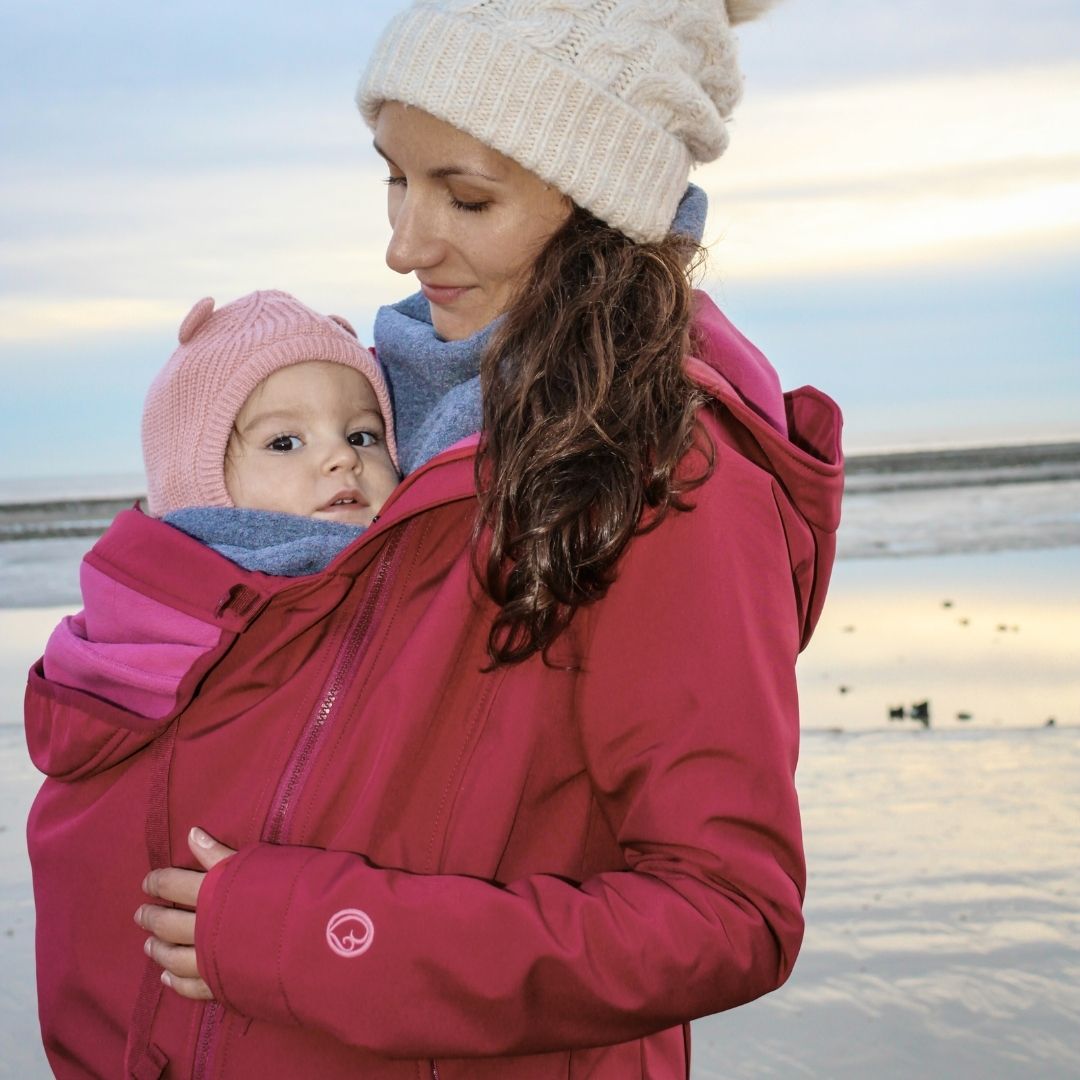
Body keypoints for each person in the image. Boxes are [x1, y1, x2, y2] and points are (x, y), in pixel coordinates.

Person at [25, 1, 844, 1077]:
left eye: (465, 195)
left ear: (601, 202)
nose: (403, 243)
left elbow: (731, 913)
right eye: (395, 179)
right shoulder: (379, 416)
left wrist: (320, 935)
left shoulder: (669, 476)